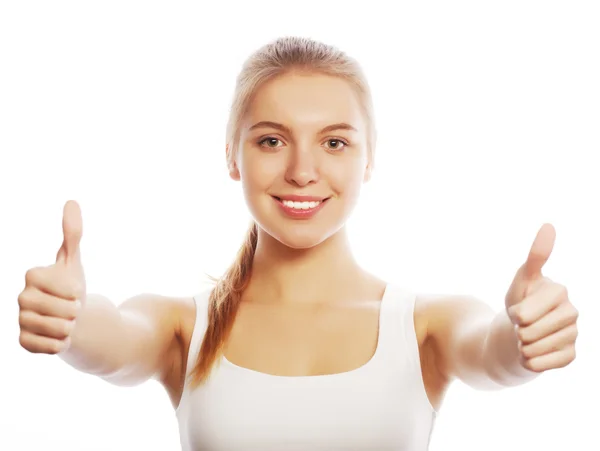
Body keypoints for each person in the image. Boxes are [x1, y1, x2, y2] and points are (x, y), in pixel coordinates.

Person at [17, 36, 579, 450]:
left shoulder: (425, 323)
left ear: (370, 159)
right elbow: (115, 337)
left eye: (334, 142)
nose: (302, 171)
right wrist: (69, 323)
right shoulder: (183, 327)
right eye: (271, 140)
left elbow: (491, 351)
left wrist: (525, 337)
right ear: (232, 157)